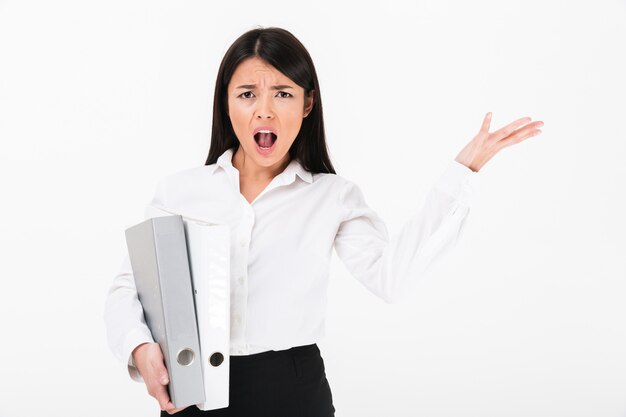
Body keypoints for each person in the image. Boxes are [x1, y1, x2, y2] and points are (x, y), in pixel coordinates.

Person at [104, 26, 544, 416]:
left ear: (307, 103)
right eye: (247, 94)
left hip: (292, 390)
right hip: (194, 391)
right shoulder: (181, 192)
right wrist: (139, 348)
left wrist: (461, 174)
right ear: (226, 104)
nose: (265, 111)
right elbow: (130, 287)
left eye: (283, 93)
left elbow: (391, 278)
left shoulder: (333, 197)